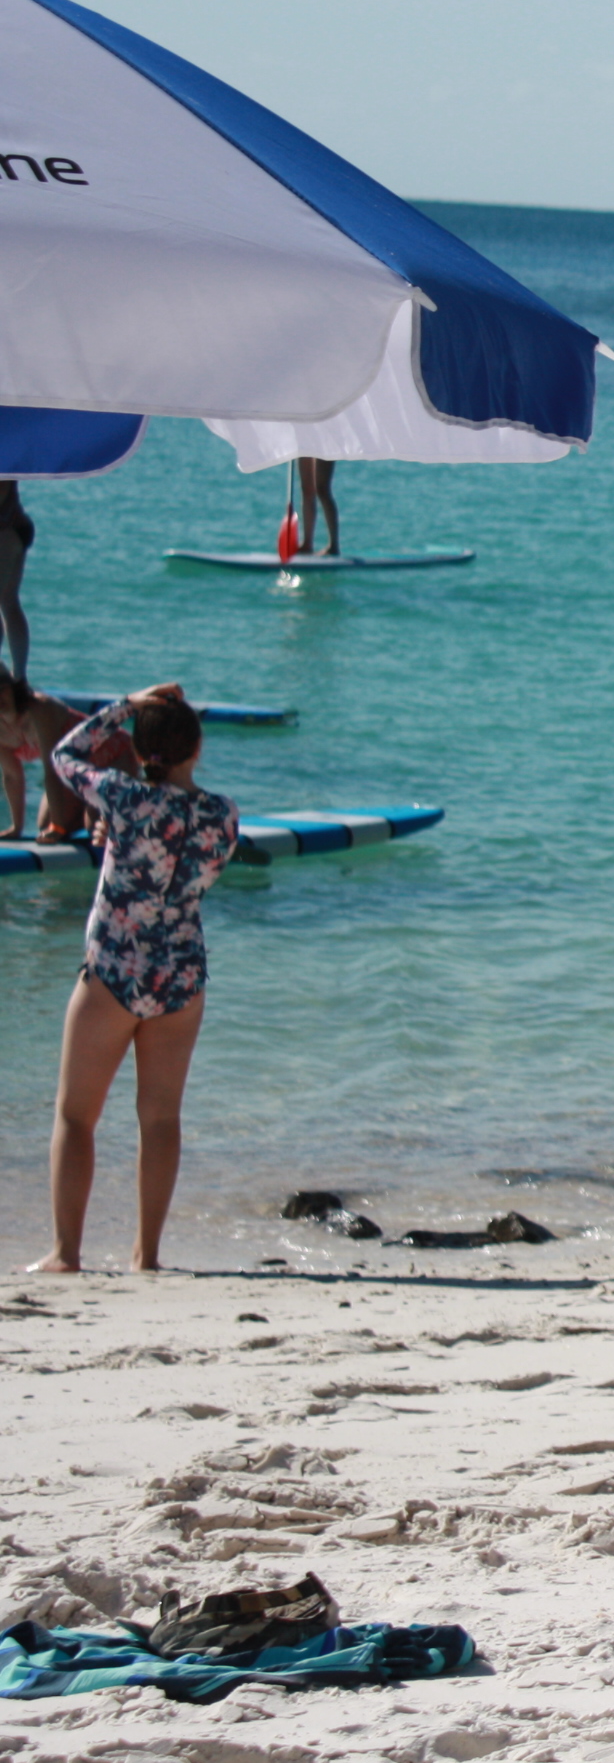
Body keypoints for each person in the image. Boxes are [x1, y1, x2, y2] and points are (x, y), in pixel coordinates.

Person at [33, 686, 238, 1273]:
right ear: (196, 748)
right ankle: (146, 1256)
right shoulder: (223, 814)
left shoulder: (125, 797)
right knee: (161, 1119)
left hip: (115, 970)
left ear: (142, 752)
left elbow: (65, 756)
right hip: (181, 974)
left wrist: (126, 704)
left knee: (76, 1116)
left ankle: (66, 1254)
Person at [4, 675, 87, 840]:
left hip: (105, 757)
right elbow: (12, 776)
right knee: (45, 824)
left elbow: (53, 768)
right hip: (72, 770)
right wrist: (17, 828)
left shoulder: (37, 708)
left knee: (88, 824)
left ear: (14, 689)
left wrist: (58, 827)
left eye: (1, 690)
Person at [1, 478, 30, 680]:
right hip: (15, 525)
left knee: (8, 603)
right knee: (9, 602)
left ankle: (18, 677)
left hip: (5, 530)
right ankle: (19, 675)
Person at [292, 458, 340, 558]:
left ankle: (333, 545)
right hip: (306, 446)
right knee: (306, 488)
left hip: (325, 447)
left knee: (322, 489)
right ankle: (307, 544)